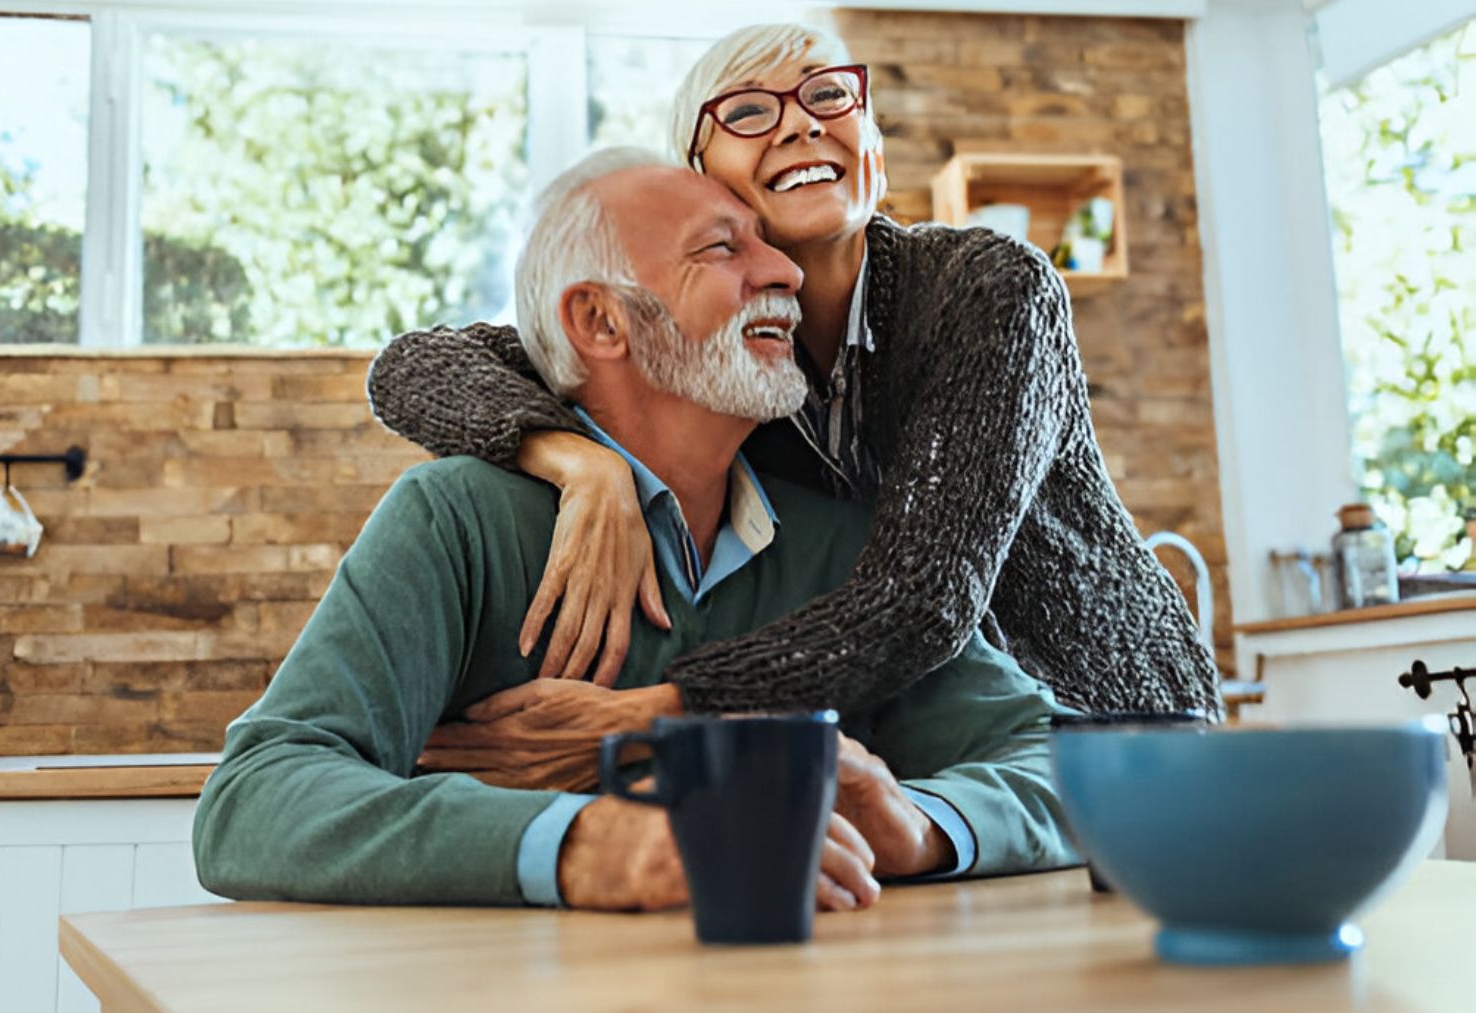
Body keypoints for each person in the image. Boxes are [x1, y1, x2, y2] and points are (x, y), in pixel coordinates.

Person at [193, 149, 1079, 911]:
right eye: (724, 248)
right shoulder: (455, 520)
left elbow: (1063, 765)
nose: (786, 274)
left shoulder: (845, 550)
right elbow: (254, 798)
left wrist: (918, 824)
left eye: (770, 246)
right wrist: (591, 844)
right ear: (600, 320)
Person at [365, 23, 1222, 730]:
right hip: (930, 747)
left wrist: (657, 712)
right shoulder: (716, 354)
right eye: (745, 110)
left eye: (826, 95)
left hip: (1115, 727)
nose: (800, 124)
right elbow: (415, 365)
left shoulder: (990, 289)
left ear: (873, 149)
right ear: (701, 182)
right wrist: (576, 461)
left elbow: (921, 599)